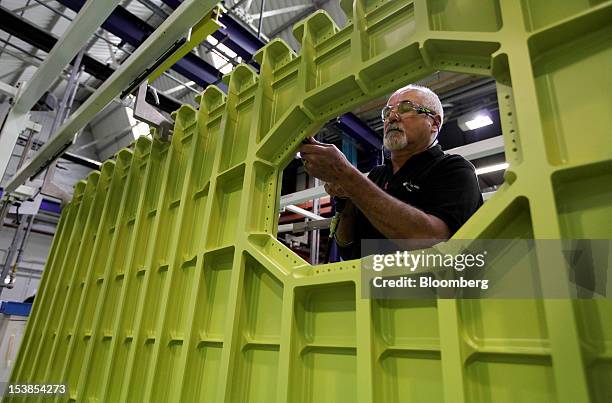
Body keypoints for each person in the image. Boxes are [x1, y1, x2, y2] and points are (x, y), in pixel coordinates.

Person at [299, 84, 483, 259]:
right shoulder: (377, 176)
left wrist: (348, 176)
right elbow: (349, 250)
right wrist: (347, 200)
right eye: (387, 112)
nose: (392, 117)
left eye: (405, 108)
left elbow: (432, 242)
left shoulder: (455, 170)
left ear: (434, 123)